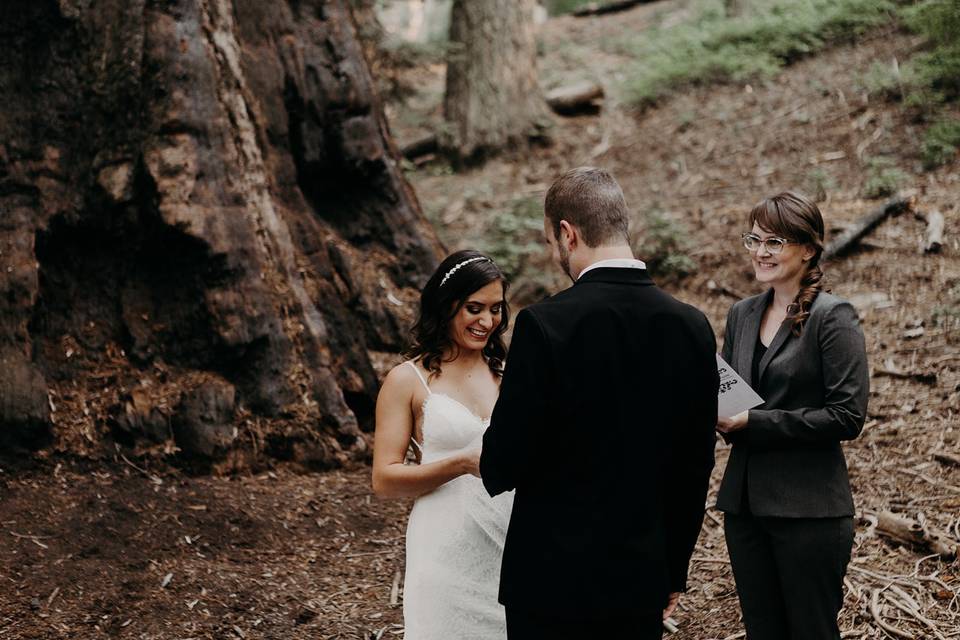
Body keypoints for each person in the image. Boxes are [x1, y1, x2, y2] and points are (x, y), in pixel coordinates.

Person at [479, 167, 719, 640]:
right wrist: (673, 571)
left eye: (551, 242)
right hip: (640, 577)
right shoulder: (692, 327)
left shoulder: (543, 326)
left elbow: (501, 464)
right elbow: (695, 467)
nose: (554, 254)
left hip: (549, 581)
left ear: (568, 234)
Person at [715, 191, 869, 640]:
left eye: (774, 242)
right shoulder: (741, 314)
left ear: (808, 248)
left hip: (809, 512)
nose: (760, 252)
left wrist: (755, 422)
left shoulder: (833, 316)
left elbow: (847, 416)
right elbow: (730, 396)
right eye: (754, 239)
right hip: (744, 508)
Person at [371, 249, 514, 639]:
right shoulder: (407, 380)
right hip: (445, 553)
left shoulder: (509, 374)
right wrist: (462, 463)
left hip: (512, 547)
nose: (487, 321)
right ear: (446, 304)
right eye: (474, 308)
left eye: (496, 309)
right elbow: (384, 479)